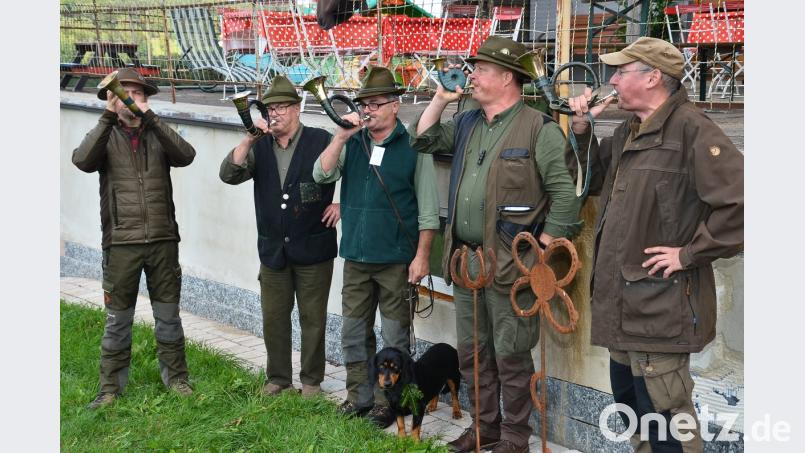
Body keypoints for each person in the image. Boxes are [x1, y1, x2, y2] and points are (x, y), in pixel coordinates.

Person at [565, 37, 744, 452]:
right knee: (634, 414)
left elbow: (742, 204)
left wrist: (688, 254)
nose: (611, 80)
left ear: (652, 78)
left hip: (660, 311)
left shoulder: (692, 130)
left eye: (620, 71)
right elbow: (588, 182)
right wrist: (582, 130)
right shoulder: (629, 130)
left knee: (667, 424)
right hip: (622, 309)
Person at [410, 36, 582, 453]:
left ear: (507, 77)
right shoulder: (467, 121)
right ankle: (483, 428)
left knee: (512, 354)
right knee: (473, 353)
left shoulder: (538, 128)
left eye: (482, 70)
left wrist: (539, 249)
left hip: (513, 264)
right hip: (467, 262)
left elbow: (565, 196)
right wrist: (441, 98)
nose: (472, 76)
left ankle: (515, 437)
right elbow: (423, 139)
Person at [312, 66, 440, 428]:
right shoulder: (353, 141)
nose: (368, 110)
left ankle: (390, 403)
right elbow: (321, 174)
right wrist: (340, 137)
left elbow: (429, 209)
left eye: (376, 104)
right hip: (356, 255)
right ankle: (359, 396)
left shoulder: (414, 144)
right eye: (364, 104)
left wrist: (422, 256)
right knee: (354, 331)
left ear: (395, 106)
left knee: (395, 336)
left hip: (396, 259)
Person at [72, 67, 197, 409]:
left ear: (146, 98)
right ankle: (110, 389)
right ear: (111, 99)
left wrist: (151, 118)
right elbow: (82, 160)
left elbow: (186, 155)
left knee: (169, 316)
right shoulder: (105, 134)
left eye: (136, 93)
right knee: (118, 321)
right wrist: (107, 116)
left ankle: (178, 379)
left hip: (162, 240)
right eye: (122, 93)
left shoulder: (157, 132)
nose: (130, 98)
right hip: (121, 244)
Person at [219, 76, 340, 398]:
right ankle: (278, 378)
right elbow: (228, 175)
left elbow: (353, 170)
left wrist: (343, 203)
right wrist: (248, 140)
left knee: (313, 319)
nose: (274, 114)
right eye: (270, 108)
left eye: (282, 107)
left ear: (297, 109)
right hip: (273, 251)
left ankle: (311, 381)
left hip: (314, 248)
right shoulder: (260, 145)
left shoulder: (321, 139)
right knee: (273, 318)